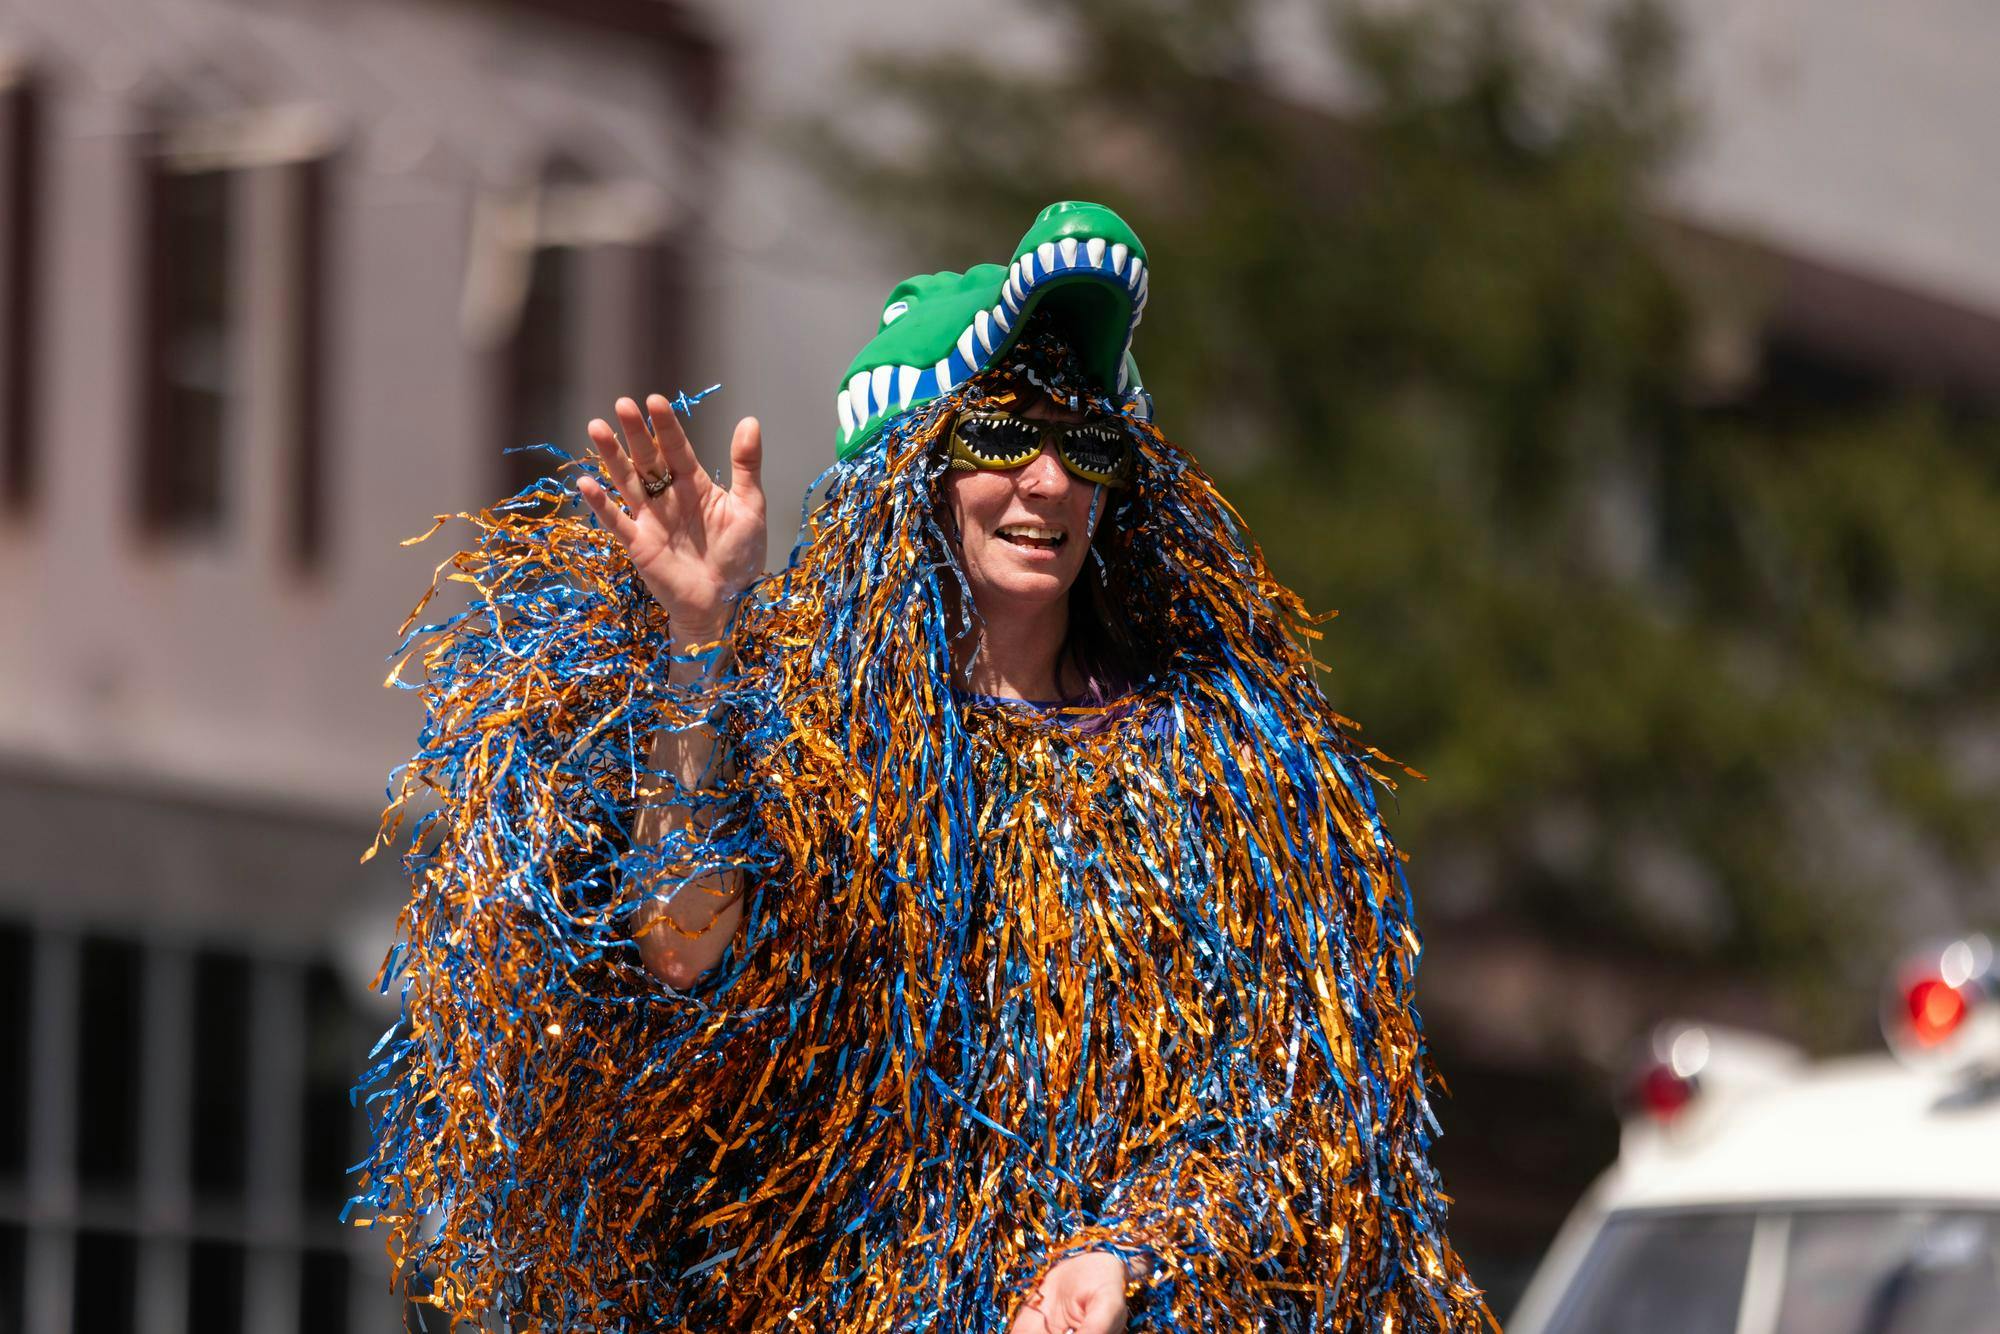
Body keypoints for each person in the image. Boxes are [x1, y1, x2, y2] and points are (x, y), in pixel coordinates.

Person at [351, 202, 1492, 1332]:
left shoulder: (1213, 765)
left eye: (1083, 442)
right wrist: (698, 646)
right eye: (998, 433)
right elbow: (681, 951)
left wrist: (1131, 1251)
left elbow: (1293, 1120)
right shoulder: (804, 737)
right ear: (906, 467)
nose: (1045, 481)